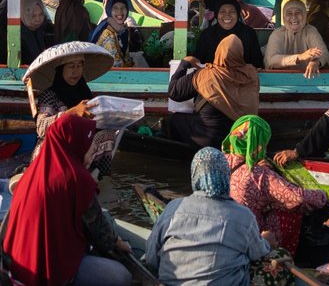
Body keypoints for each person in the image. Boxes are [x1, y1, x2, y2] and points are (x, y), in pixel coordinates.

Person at [2, 113, 132, 286]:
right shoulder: (78, 180)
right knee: (122, 276)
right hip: (49, 274)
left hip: (17, 266)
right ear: (74, 143)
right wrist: (120, 244)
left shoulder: (32, 172)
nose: (93, 149)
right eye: (88, 143)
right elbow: (101, 233)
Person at [145, 146, 293, 286]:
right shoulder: (243, 215)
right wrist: (267, 241)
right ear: (225, 175)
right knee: (281, 256)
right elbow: (258, 253)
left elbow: (152, 257)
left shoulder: (173, 208)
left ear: (194, 175)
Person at [223, 114, 329, 256]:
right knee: (292, 209)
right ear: (259, 143)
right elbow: (298, 198)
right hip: (254, 239)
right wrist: (322, 196)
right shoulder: (259, 174)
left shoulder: (221, 161)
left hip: (227, 235)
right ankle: (292, 254)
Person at [27, 41, 115, 179]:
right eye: (71, 66)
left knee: (107, 134)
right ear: (61, 69)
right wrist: (72, 112)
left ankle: (95, 178)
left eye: (79, 66)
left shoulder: (84, 92)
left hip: (82, 146)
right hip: (54, 149)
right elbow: (41, 127)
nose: (76, 71)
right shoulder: (50, 95)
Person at [166, 34, 259, 151]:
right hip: (239, 140)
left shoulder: (205, 75)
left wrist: (184, 63)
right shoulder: (251, 74)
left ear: (218, 52)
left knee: (175, 120)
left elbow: (174, 92)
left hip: (207, 140)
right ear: (241, 54)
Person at [264, 0, 329, 77]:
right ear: (284, 16)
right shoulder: (278, 34)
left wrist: (315, 62)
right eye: (289, 13)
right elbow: (272, 60)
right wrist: (300, 57)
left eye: (298, 13)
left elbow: (323, 53)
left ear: (304, 15)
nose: (293, 17)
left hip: (309, 79)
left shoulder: (310, 31)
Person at [194, 0, 264, 67]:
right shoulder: (207, 35)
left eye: (232, 11)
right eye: (222, 11)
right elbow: (198, 63)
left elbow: (257, 64)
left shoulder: (249, 33)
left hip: (242, 76)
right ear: (217, 15)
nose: (227, 15)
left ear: (237, 14)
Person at [90, 0, 134, 67]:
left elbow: (126, 58)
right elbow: (116, 65)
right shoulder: (108, 34)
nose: (119, 11)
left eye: (123, 8)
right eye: (115, 8)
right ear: (109, 10)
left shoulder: (122, 30)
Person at [21, 0, 51, 64]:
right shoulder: (17, 35)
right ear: (23, 14)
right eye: (33, 16)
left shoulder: (44, 30)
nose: (38, 19)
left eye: (41, 14)